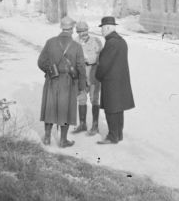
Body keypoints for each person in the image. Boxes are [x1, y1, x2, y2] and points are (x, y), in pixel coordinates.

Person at [37, 16, 86, 148]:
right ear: (72, 30)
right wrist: (82, 87)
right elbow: (81, 68)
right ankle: (63, 140)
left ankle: (47, 138)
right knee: (66, 110)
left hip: (52, 80)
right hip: (68, 82)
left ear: (61, 28)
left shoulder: (50, 42)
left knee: (50, 108)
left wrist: (50, 71)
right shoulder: (77, 46)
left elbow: (41, 62)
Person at [95, 16, 135, 144]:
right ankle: (119, 134)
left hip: (111, 82)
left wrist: (98, 75)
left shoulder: (110, 43)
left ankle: (112, 137)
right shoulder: (121, 41)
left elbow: (104, 65)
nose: (101, 31)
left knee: (110, 109)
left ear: (107, 28)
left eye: (102, 28)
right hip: (121, 81)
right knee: (119, 109)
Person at [72, 20, 103, 136]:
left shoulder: (96, 41)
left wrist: (88, 59)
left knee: (94, 99)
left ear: (88, 30)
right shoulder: (74, 42)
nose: (83, 33)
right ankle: (83, 124)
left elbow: (100, 57)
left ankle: (95, 126)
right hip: (81, 75)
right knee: (81, 99)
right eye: (80, 31)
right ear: (77, 32)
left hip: (93, 74)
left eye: (85, 30)